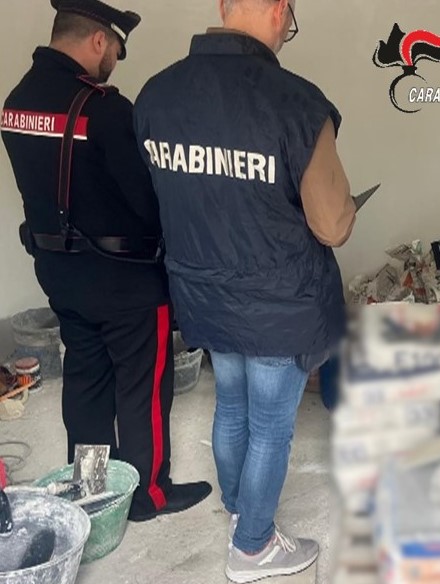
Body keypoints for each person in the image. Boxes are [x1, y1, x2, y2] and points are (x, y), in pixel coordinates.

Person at [134, 0, 356, 579]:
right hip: (278, 303)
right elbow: (331, 224)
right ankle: (253, 547)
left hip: (203, 293)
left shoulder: (156, 95)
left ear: (224, 7)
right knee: (271, 426)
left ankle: (240, 512)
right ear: (280, 11)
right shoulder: (297, 103)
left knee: (231, 403)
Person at [1, 0, 212, 522]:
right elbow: (147, 202)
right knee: (143, 390)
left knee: (87, 384)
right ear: (99, 40)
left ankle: (93, 489)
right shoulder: (105, 110)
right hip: (127, 283)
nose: (114, 61)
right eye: (115, 50)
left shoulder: (16, 103)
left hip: (61, 277)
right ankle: (146, 495)